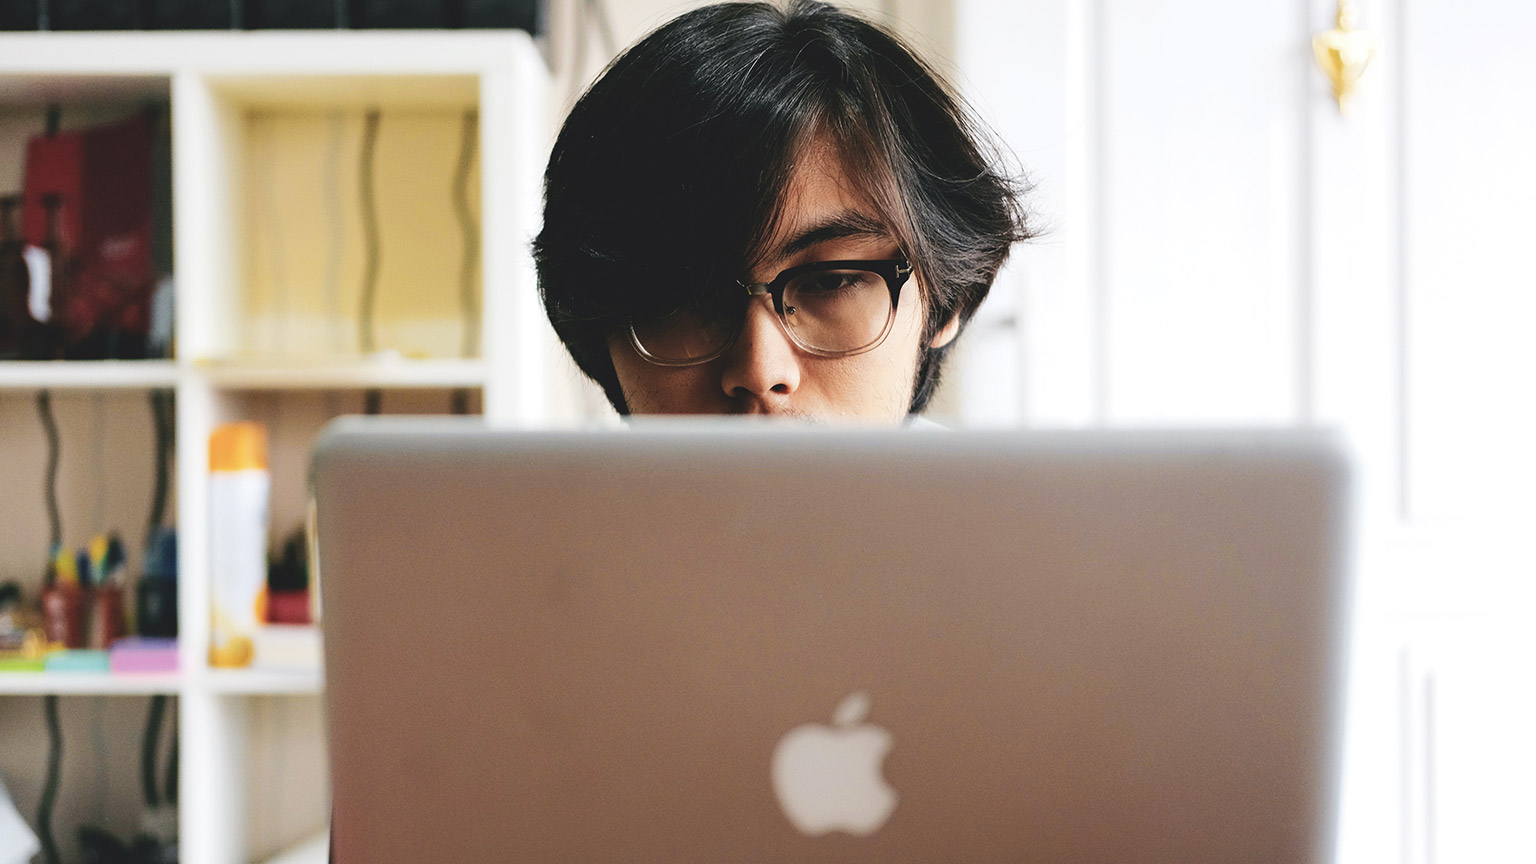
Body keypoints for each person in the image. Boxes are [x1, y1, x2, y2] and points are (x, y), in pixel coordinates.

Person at [533, 0, 1031, 423]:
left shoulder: (1042, 535)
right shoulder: (506, 536)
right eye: (686, 296)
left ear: (946, 304)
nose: (760, 371)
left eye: (831, 281)